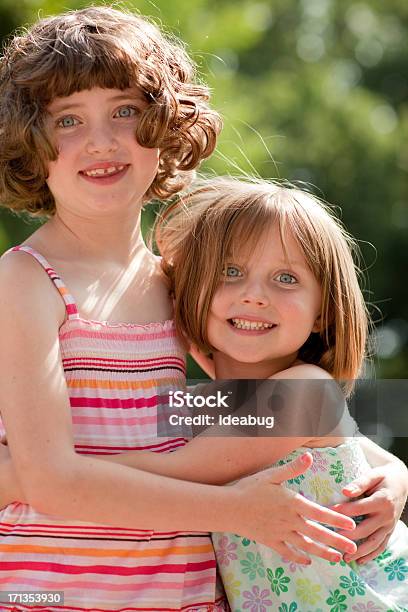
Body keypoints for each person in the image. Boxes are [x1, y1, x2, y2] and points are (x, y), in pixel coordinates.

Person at [0, 7, 371, 611]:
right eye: (68, 120)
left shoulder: (183, 287)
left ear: (166, 124)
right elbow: (52, 482)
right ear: (31, 144)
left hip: (183, 595)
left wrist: (390, 475)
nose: (102, 140)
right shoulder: (25, 282)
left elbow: (260, 415)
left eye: (125, 110)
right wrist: (233, 511)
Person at [31, 176, 405, 610]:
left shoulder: (306, 393)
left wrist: (37, 470)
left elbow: (180, 469)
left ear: (322, 312)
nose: (253, 296)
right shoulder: (215, 401)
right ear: (193, 292)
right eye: (230, 272)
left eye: (286, 278)